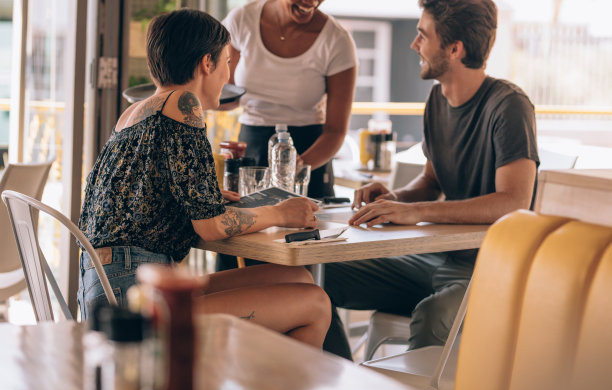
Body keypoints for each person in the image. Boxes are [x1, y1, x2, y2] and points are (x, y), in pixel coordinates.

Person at [78, 9, 330, 348]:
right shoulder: (183, 103)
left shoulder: (137, 111)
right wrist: (281, 213)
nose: (229, 75)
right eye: (227, 62)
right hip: (135, 297)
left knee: (298, 278)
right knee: (315, 305)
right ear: (206, 63)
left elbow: (143, 196)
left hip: (109, 285)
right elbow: (210, 228)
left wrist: (206, 199)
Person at [322, 0, 539, 360]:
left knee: (433, 315)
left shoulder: (509, 106)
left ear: (455, 49)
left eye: (423, 35)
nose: (414, 45)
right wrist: (394, 198)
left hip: (490, 269)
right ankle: (343, 381)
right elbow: (430, 182)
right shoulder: (437, 100)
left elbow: (513, 201)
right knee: (320, 278)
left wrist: (418, 210)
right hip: (435, 259)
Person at [216, 0, 357, 271]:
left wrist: (293, 169)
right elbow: (226, 94)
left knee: (302, 269)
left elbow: (336, 131)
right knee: (239, 261)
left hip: (309, 155)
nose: (312, 2)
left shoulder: (336, 40)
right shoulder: (242, 20)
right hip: (251, 155)